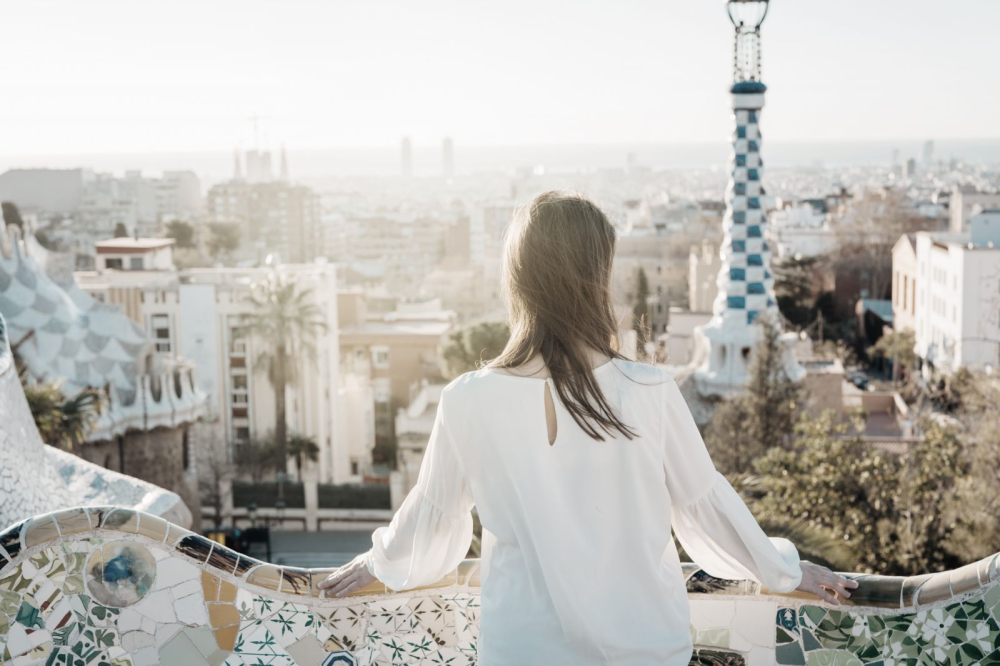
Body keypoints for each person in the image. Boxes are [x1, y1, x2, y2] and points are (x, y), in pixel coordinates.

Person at [319, 191, 857, 665]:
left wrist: (380, 563)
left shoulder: (466, 399)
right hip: (643, 649)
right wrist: (784, 572)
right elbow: (702, 509)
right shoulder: (649, 389)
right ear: (595, 276)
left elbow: (433, 523)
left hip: (519, 651)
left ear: (519, 278)